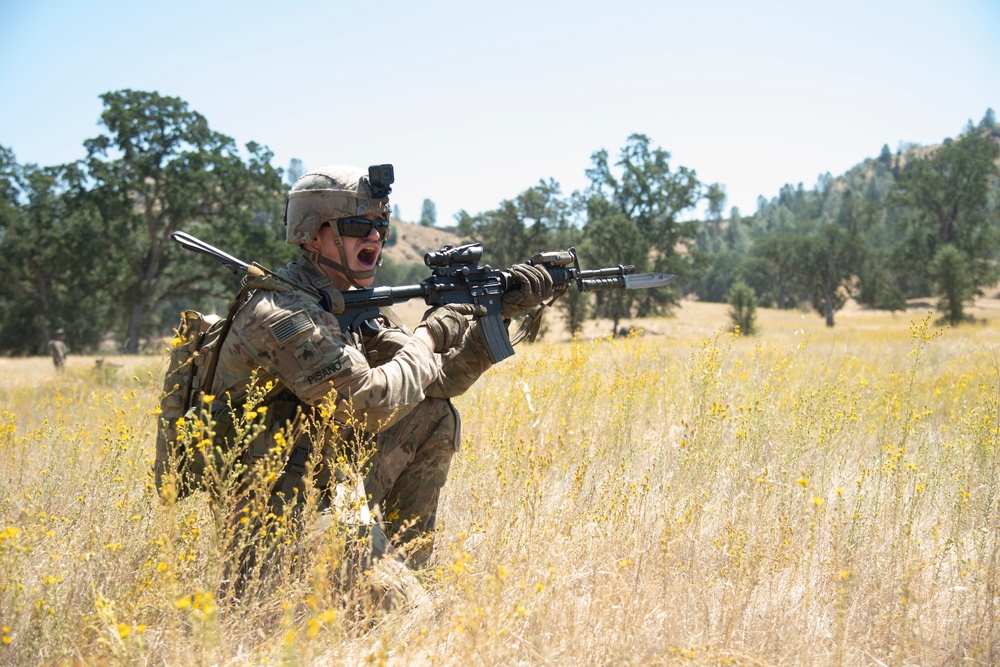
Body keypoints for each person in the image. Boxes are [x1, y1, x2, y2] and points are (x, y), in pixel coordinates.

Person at [210, 164, 552, 600]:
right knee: (412, 620)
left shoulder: (349, 300)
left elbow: (436, 380)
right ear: (313, 235)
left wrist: (498, 313)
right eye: (358, 226)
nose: (374, 237)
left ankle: (408, 566)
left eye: (381, 226)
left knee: (433, 412)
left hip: (325, 488)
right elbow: (370, 403)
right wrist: (430, 333)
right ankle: (383, 593)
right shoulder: (283, 314)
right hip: (275, 519)